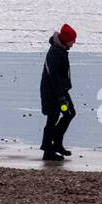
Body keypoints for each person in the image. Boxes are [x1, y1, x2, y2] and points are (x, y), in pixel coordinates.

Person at [39, 23, 77, 161]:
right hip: (52, 94)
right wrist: (61, 97)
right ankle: (48, 150)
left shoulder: (61, 50)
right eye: (72, 40)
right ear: (65, 39)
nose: (73, 43)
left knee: (69, 113)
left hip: (61, 92)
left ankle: (56, 144)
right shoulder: (55, 53)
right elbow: (53, 77)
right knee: (54, 117)